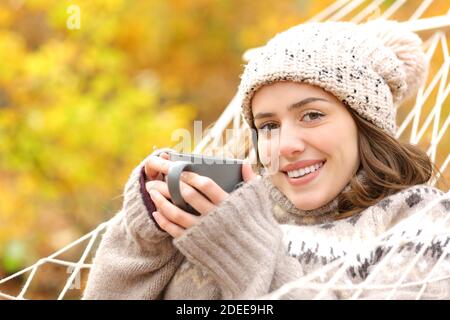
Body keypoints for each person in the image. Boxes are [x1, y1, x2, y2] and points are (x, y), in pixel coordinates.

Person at [83, 19, 450, 299]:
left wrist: (242, 246)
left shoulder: (423, 223)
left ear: (364, 124)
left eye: (312, 115)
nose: (285, 145)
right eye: (269, 125)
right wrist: (143, 237)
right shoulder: (223, 212)